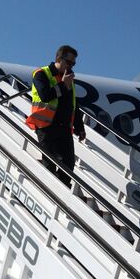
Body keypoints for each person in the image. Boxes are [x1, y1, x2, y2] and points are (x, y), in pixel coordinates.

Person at [25, 44, 87, 186]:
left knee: (69, 165)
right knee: (50, 163)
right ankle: (50, 193)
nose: (71, 66)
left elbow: (73, 105)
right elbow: (45, 95)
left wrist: (80, 127)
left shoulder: (69, 79)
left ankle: (62, 192)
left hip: (64, 128)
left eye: (74, 63)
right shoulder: (41, 74)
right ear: (59, 58)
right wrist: (63, 85)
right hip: (46, 126)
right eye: (69, 62)